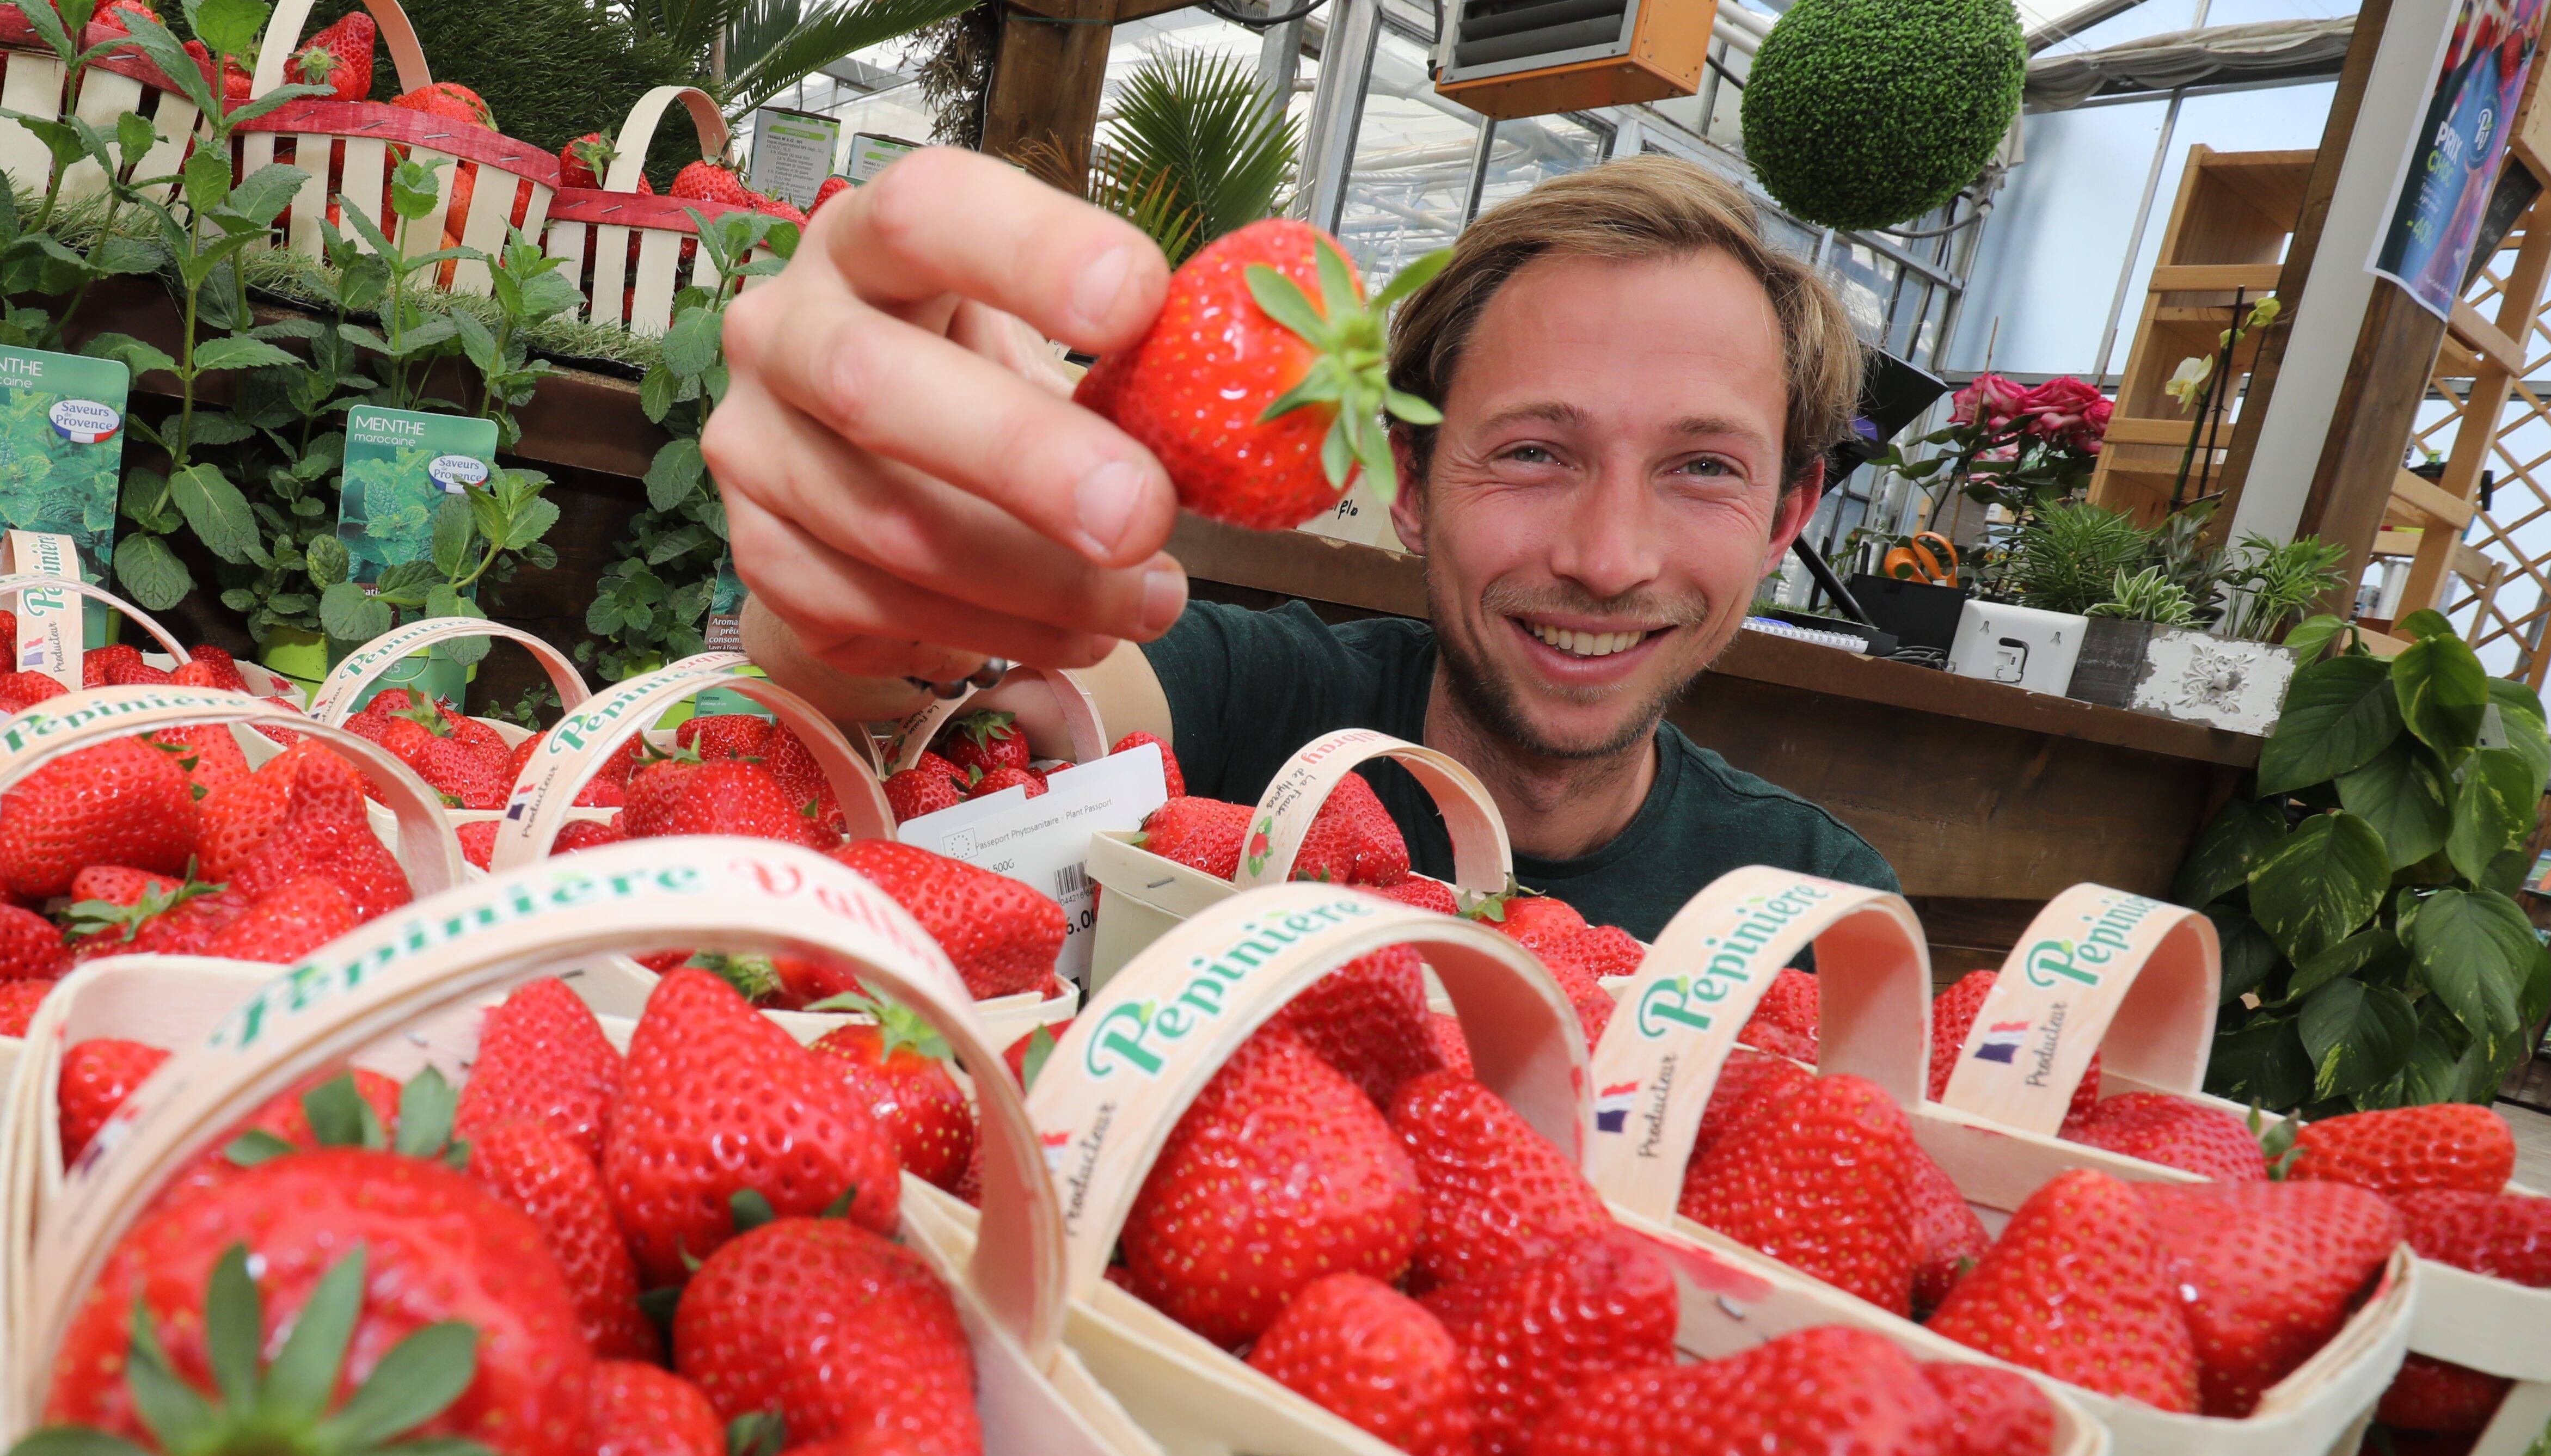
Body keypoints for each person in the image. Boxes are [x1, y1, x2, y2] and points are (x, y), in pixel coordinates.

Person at [708, 149, 1901, 941]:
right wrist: (878, 579)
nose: (1608, 555)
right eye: (1536, 451)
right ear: (1412, 486)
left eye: (1702, 467)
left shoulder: (1817, 918)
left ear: (1787, 516)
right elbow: (950, 674)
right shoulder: (1258, 704)